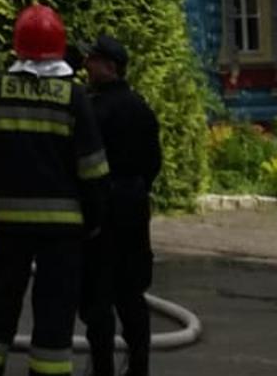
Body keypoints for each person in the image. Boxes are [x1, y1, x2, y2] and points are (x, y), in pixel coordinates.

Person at [0, 5, 109, 376]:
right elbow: (92, 168)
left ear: (19, 48)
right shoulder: (74, 97)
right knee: (55, 313)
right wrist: (94, 219)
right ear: (59, 50)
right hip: (63, 230)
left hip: (10, 223)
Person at [78, 36, 162, 376]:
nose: (86, 66)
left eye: (93, 61)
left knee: (98, 298)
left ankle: (103, 369)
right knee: (131, 294)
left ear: (110, 67)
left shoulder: (92, 110)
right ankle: (139, 367)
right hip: (134, 208)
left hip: (102, 214)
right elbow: (153, 163)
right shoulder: (141, 108)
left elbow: (83, 163)